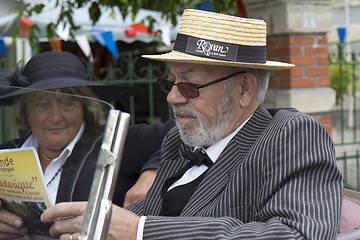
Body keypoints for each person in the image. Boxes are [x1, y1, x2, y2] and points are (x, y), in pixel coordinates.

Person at [40, 9, 344, 240]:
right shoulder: (180, 140)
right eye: (171, 82)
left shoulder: (291, 134)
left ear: (244, 89)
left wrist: (140, 230)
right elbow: (140, 216)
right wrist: (89, 227)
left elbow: (298, 234)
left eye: (190, 85)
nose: (172, 97)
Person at [0, 51, 174, 240]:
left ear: (84, 107)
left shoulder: (115, 143)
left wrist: (154, 171)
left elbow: (177, 130)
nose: (56, 117)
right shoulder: (6, 154)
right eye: (42, 104)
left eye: (67, 103)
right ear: (25, 110)